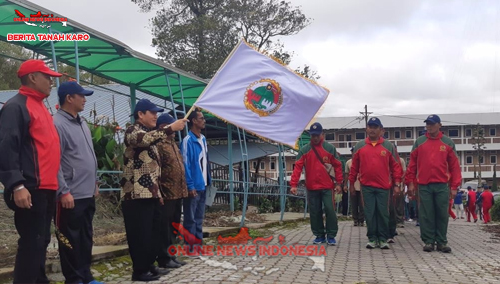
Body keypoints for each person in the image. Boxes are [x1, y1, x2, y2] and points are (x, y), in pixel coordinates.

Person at [0, 59, 62, 283]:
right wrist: (16, 184)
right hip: (29, 187)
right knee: (31, 242)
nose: (51, 82)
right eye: (48, 77)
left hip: (46, 187)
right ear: (33, 77)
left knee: (42, 240)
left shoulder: (41, 106)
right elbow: (7, 147)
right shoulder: (17, 106)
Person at [120, 99, 187, 281]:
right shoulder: (132, 131)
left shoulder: (152, 134)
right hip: (135, 194)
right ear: (140, 114)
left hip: (151, 193)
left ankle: (150, 265)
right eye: (152, 112)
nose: (155, 116)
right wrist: (171, 127)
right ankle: (139, 270)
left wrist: (158, 193)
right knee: (139, 233)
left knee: (152, 232)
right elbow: (146, 139)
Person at [53, 81, 103, 284]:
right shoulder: (57, 124)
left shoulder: (82, 123)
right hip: (70, 194)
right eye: (81, 95)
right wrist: (63, 191)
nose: (84, 99)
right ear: (69, 98)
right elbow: (54, 161)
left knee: (85, 237)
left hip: (87, 192)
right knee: (70, 240)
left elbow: (89, 155)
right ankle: (73, 279)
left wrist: (95, 182)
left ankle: (86, 276)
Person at [406, 114, 461, 253]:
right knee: (426, 214)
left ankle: (442, 241)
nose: (429, 126)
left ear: (439, 125)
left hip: (442, 185)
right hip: (424, 185)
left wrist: (454, 186)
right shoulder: (420, 142)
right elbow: (412, 164)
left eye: (432, 123)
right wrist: (410, 183)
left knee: (442, 213)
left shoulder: (448, 143)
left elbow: (455, 166)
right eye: (427, 124)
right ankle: (428, 241)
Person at [349, 117, 402, 250]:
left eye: (375, 127)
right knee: (369, 213)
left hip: (384, 187)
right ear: (366, 129)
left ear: (380, 130)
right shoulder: (360, 146)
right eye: (370, 127)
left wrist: (397, 184)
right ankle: (372, 238)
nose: (372, 129)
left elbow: (396, 167)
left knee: (383, 213)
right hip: (366, 187)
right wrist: (350, 184)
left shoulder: (388, 146)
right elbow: (354, 167)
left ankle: (383, 239)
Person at [291, 122, 343, 245]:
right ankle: (319, 235)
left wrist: (339, 183)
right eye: (312, 135)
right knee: (315, 212)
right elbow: (297, 167)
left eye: (317, 135)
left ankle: (331, 235)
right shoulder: (304, 150)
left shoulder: (330, 148)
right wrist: (293, 184)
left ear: (322, 134)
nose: (315, 138)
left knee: (330, 210)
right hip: (312, 187)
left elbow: (338, 166)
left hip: (327, 187)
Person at [155, 113, 188, 268]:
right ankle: (164, 257)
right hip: (166, 192)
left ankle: (172, 254)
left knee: (174, 225)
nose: (174, 129)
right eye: (171, 125)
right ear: (162, 127)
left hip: (178, 191)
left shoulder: (173, 144)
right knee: (165, 227)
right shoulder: (159, 144)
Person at [181, 109, 212, 249]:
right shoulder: (187, 141)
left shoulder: (203, 139)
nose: (204, 121)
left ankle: (198, 244)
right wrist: (190, 185)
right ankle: (190, 246)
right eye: (201, 118)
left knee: (199, 217)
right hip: (194, 186)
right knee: (190, 218)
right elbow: (185, 164)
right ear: (194, 121)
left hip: (203, 184)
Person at [345, 147, 364, 227]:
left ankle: (361, 220)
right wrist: (345, 185)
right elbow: (346, 174)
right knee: (354, 204)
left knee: (362, 204)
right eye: (353, 152)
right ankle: (355, 220)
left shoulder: (363, 161)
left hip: (362, 186)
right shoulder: (349, 162)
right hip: (353, 186)